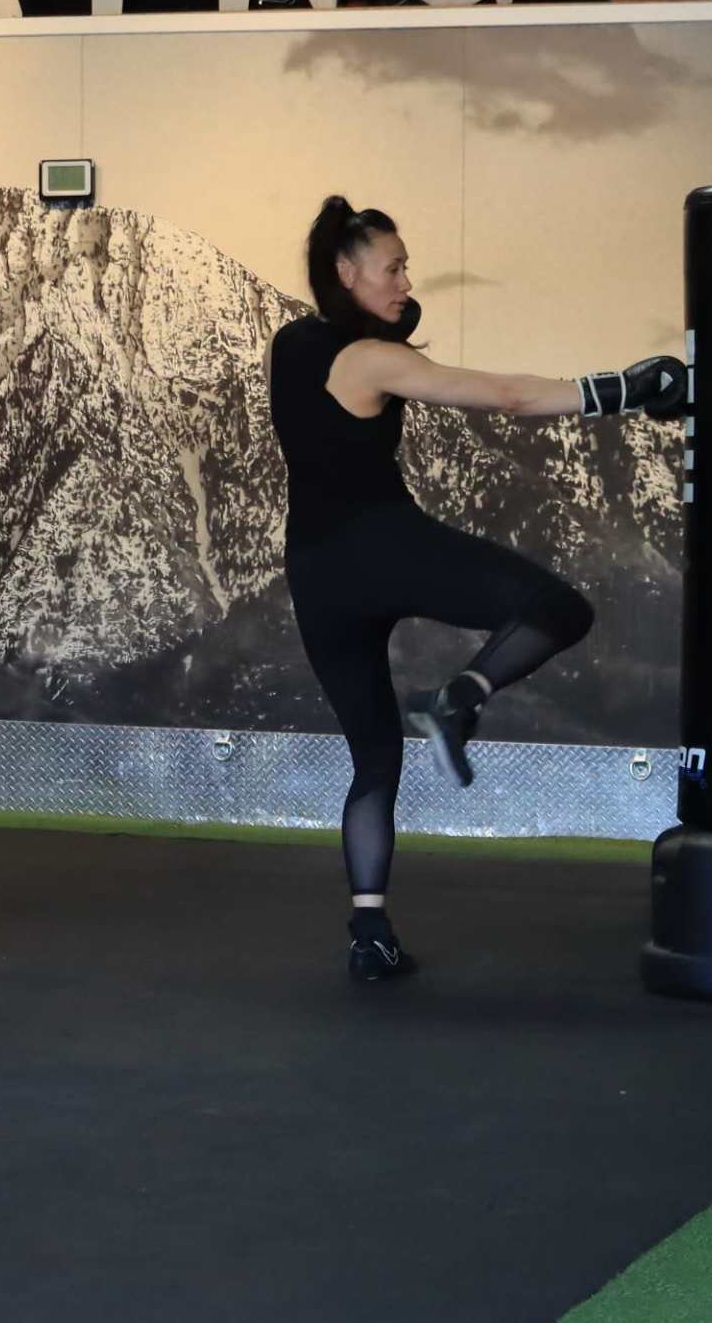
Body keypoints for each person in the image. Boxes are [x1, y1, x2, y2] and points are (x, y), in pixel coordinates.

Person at [270, 197, 688, 983]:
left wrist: (395, 321)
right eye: (392, 268)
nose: (405, 282)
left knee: (374, 760)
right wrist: (622, 390)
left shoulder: (292, 344)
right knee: (559, 608)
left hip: (316, 571)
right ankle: (458, 696)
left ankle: (369, 933)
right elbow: (506, 396)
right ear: (345, 271)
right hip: (381, 544)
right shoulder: (367, 358)